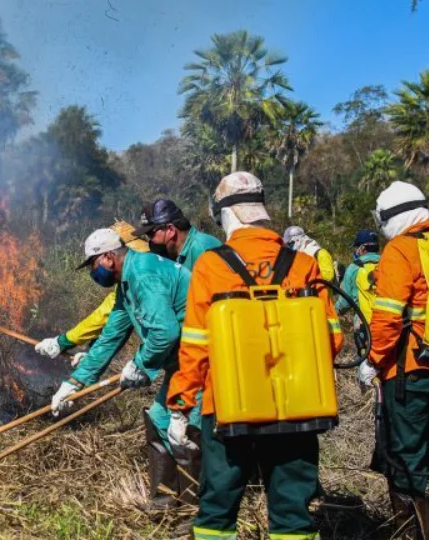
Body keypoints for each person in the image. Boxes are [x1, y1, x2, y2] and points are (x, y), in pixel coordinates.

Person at [167, 171, 343, 540]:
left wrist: (180, 406)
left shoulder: (211, 265)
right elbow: (333, 340)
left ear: (225, 215)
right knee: (293, 515)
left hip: (231, 409)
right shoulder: (303, 265)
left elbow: (196, 345)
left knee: (216, 511)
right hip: (298, 410)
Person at [50, 227, 194, 510]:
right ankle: (166, 503)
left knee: (187, 430)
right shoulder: (126, 283)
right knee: (160, 420)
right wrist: (74, 384)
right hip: (182, 361)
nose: (93, 273)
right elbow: (110, 336)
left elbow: (165, 332)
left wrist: (139, 365)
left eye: (93, 265)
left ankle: (197, 510)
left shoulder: (143, 274)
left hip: (202, 361)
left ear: (107, 258)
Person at [359, 181, 429, 539]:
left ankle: (409, 533)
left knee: (404, 458)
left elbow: (389, 317)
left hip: (409, 372)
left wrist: (373, 362)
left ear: (392, 217)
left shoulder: (401, 250)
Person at [35, 201, 220, 360]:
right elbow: (114, 314)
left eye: (151, 234)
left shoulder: (201, 250)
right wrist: (90, 350)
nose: (150, 241)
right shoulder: (155, 265)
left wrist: (140, 364)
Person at [33, 222, 149, 362]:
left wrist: (63, 341)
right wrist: (92, 351)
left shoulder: (143, 277)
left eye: (93, 263)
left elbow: (107, 314)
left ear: (110, 255)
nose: (93, 270)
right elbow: (113, 323)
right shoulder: (130, 279)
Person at [132, 198, 223, 269]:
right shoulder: (175, 254)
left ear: (171, 230)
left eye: (151, 234)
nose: (150, 241)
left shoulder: (203, 250)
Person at [335, 230, 380, 323]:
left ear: (362, 248)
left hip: (366, 325)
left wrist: (332, 312)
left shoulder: (354, 268)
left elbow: (345, 302)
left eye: (356, 247)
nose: (355, 251)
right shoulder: (388, 263)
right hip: (391, 324)